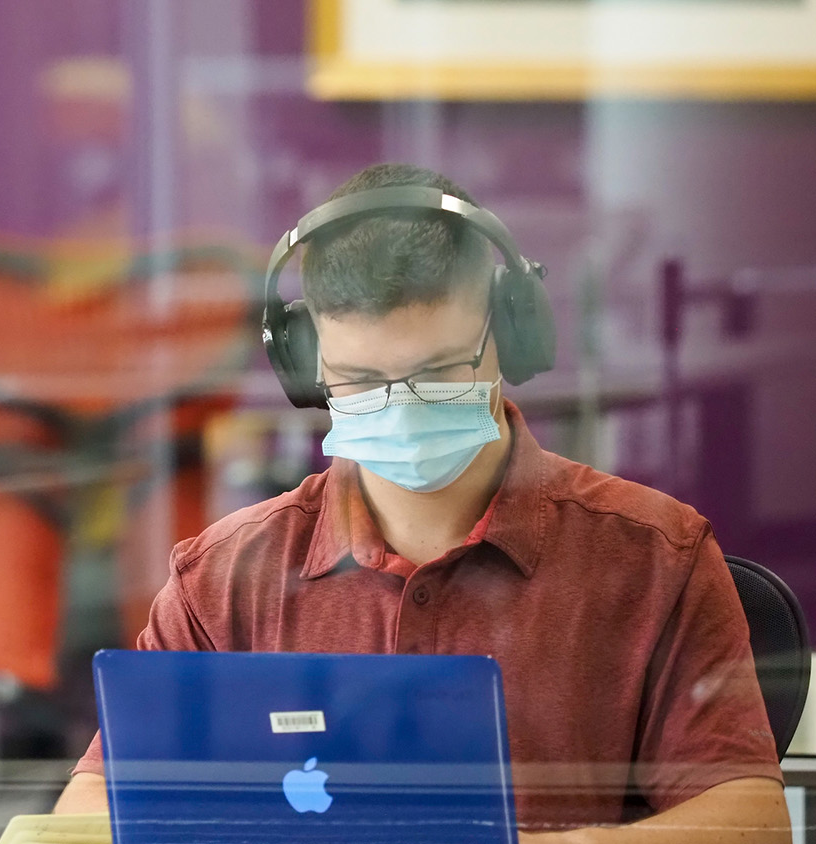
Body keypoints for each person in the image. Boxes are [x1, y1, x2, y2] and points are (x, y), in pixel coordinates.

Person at [52, 164, 790, 842]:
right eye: (360, 379)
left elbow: (753, 820)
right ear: (307, 370)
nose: (398, 407)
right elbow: (85, 815)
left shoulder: (654, 556)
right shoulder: (226, 575)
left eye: (438, 370)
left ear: (510, 334)